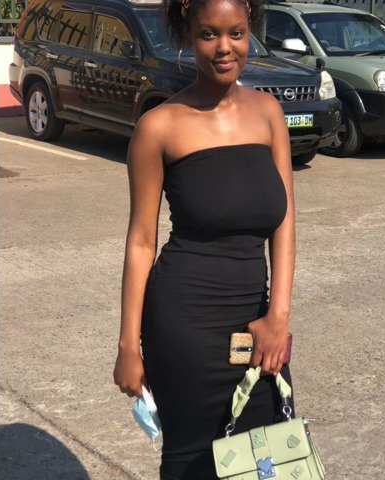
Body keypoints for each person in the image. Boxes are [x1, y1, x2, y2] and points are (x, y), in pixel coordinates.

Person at [113, 0, 296, 477]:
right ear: (187, 35)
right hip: (184, 330)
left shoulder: (269, 114)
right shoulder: (159, 127)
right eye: (208, 34)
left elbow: (285, 224)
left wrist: (278, 316)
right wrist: (129, 345)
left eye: (236, 33)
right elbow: (141, 241)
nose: (224, 47)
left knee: (268, 458)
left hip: (257, 321)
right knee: (192, 463)